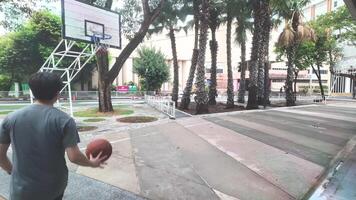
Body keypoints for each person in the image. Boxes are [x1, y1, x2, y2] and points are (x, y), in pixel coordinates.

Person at [0, 72, 107, 200]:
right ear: (57, 94)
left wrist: (11, 170)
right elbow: (74, 157)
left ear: (33, 91)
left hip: (21, 190)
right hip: (52, 188)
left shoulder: (11, 118)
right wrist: (91, 163)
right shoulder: (64, 120)